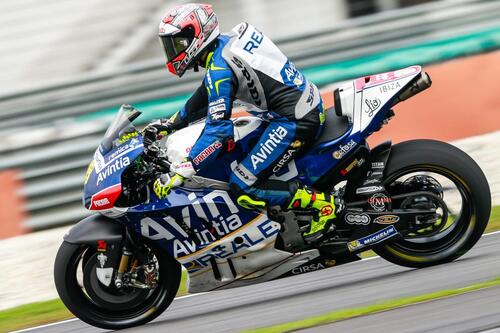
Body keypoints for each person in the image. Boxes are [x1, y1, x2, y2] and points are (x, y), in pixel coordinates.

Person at [147, 3, 343, 242]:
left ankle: (325, 205)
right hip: (301, 106)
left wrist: (184, 169)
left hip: (294, 120)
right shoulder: (225, 45)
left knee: (243, 186)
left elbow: (218, 131)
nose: (173, 50)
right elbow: (205, 95)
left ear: (197, 35)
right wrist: (171, 123)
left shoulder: (219, 67)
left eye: (178, 43)